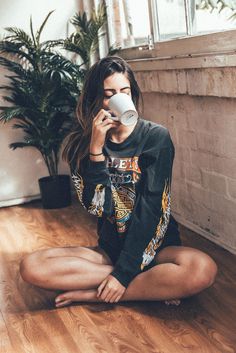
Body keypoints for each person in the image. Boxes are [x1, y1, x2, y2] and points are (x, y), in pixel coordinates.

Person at [20, 56, 217, 308]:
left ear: (132, 94)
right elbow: (97, 208)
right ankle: (152, 285)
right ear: (96, 100)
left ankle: (94, 292)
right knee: (31, 266)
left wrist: (122, 275)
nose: (118, 98)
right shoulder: (80, 145)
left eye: (124, 91)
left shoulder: (156, 138)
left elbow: (153, 209)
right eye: (109, 94)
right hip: (110, 249)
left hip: (155, 248)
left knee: (202, 269)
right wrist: (95, 150)